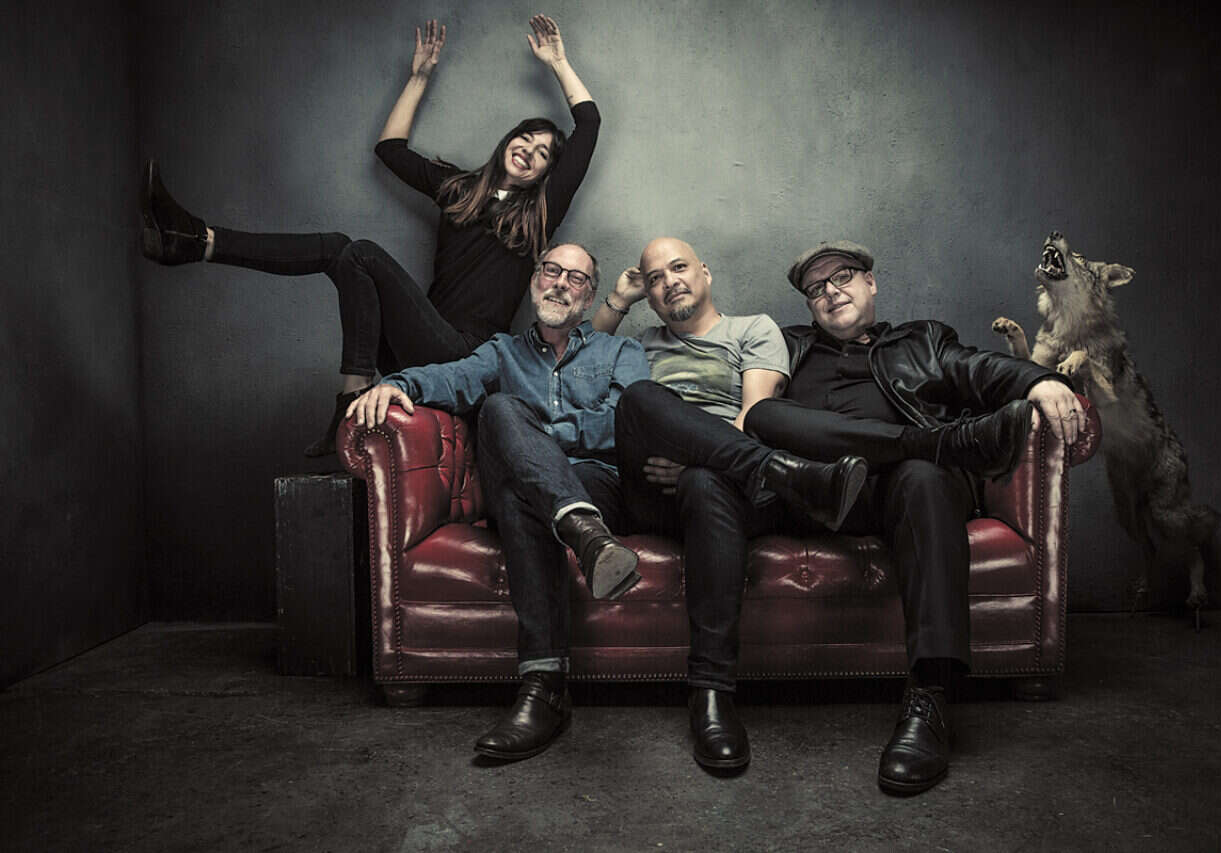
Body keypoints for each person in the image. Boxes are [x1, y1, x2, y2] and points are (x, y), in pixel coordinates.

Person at [140, 15, 602, 456]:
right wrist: (418, 77)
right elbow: (390, 149)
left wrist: (558, 62)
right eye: (526, 138)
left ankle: (350, 399)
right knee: (340, 251)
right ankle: (198, 240)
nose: (529, 151)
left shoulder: (539, 213)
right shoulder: (459, 189)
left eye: (543, 153)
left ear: (547, 173)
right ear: (508, 141)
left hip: (463, 359)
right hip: (415, 348)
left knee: (357, 253)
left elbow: (589, 124)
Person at [741, 240, 1087, 795]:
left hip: (906, 490)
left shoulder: (922, 341)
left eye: (843, 277)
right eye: (816, 288)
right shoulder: (788, 347)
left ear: (871, 283)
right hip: (821, 493)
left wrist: (1040, 380)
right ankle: (941, 442)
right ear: (809, 305)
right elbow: (747, 410)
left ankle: (930, 697)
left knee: (923, 475)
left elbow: (980, 368)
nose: (830, 292)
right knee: (765, 413)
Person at [346, 242, 650, 760]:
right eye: (551, 271)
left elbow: (626, 424)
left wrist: (539, 435)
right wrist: (393, 384)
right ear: (534, 281)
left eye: (576, 278)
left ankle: (543, 687)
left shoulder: (622, 352)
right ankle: (583, 534)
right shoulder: (500, 352)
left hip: (596, 484)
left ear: (589, 296)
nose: (560, 283)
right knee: (501, 408)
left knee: (520, 487)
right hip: (555, 502)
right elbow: (449, 378)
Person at [592, 237, 869, 771]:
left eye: (679, 267)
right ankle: (789, 475)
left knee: (703, 481)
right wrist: (620, 299)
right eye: (655, 278)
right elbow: (582, 355)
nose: (669, 281)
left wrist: (701, 461)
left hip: (728, 488)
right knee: (641, 397)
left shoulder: (753, 329)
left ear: (705, 272)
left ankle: (711, 693)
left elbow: (754, 416)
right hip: (651, 488)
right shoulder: (640, 345)